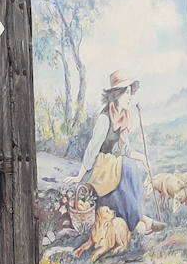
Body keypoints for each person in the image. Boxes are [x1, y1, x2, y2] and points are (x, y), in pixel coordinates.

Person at [65, 70, 159, 236]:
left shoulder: (123, 116)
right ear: (117, 94)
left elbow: (124, 149)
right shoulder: (105, 118)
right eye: (127, 92)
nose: (130, 97)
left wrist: (142, 157)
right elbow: (92, 148)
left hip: (113, 164)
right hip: (101, 168)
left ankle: (140, 218)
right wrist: (80, 176)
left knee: (130, 166)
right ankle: (137, 222)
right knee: (125, 167)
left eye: (131, 92)